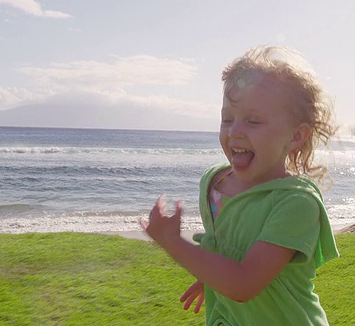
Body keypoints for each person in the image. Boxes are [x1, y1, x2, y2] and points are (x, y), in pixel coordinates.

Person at [140, 45, 340, 325]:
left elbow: (244, 283)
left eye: (254, 121)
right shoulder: (214, 184)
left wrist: (173, 242)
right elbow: (229, 248)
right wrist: (211, 279)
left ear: (296, 136)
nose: (234, 132)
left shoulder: (295, 204)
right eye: (227, 119)